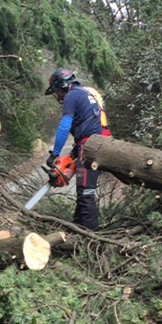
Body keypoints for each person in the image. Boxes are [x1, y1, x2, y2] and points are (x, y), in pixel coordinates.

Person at [45, 67, 111, 231]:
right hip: (99, 142)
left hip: (92, 146)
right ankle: (77, 230)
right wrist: (74, 152)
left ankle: (92, 239)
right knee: (83, 191)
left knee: (86, 193)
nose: (58, 96)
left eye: (56, 92)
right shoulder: (86, 93)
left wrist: (55, 154)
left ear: (61, 86)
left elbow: (65, 125)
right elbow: (91, 124)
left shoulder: (72, 95)